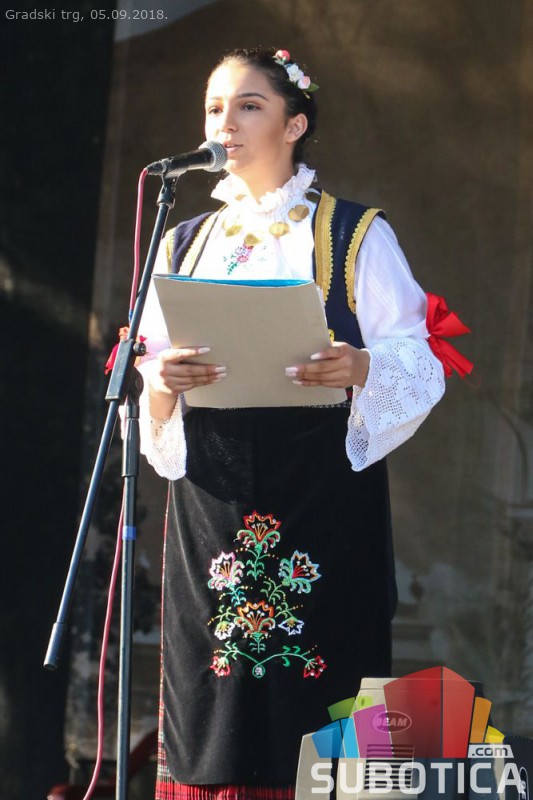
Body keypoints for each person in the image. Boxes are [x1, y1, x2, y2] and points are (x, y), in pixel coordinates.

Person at [136, 47, 446, 800]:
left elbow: (418, 359)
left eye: (249, 106)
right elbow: (150, 377)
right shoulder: (182, 241)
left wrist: (360, 366)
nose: (226, 122)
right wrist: (162, 383)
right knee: (213, 692)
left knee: (320, 687)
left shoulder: (353, 233)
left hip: (322, 496)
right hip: (211, 497)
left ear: (294, 124)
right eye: (215, 107)